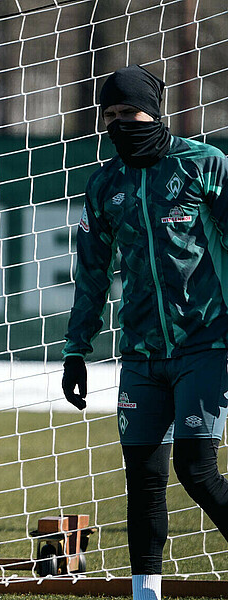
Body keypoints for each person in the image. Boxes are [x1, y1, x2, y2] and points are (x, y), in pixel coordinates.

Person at [61, 64, 228, 600]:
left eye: (127, 113)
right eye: (108, 116)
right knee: (143, 477)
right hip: (138, 353)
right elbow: (91, 274)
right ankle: (145, 592)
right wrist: (75, 349)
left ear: (154, 112)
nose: (117, 124)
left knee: (196, 469)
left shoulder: (205, 165)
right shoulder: (104, 183)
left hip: (207, 341)